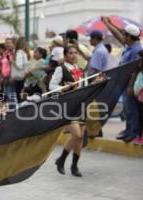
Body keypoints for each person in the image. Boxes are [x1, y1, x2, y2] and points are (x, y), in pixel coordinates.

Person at [102, 16, 143, 142]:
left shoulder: (137, 50)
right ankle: (129, 130)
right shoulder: (130, 46)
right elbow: (118, 35)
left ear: (130, 37)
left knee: (132, 110)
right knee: (127, 110)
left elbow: (135, 70)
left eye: (125, 35)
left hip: (131, 85)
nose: (123, 37)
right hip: (124, 84)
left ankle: (134, 132)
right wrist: (108, 24)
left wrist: (131, 86)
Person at [49, 46, 85, 177]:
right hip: (67, 105)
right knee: (77, 135)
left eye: (76, 53)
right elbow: (51, 86)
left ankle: (74, 166)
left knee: (80, 137)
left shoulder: (79, 70)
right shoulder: (61, 69)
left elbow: (83, 87)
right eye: (70, 53)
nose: (74, 55)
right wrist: (63, 88)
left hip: (80, 104)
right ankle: (61, 160)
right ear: (65, 55)